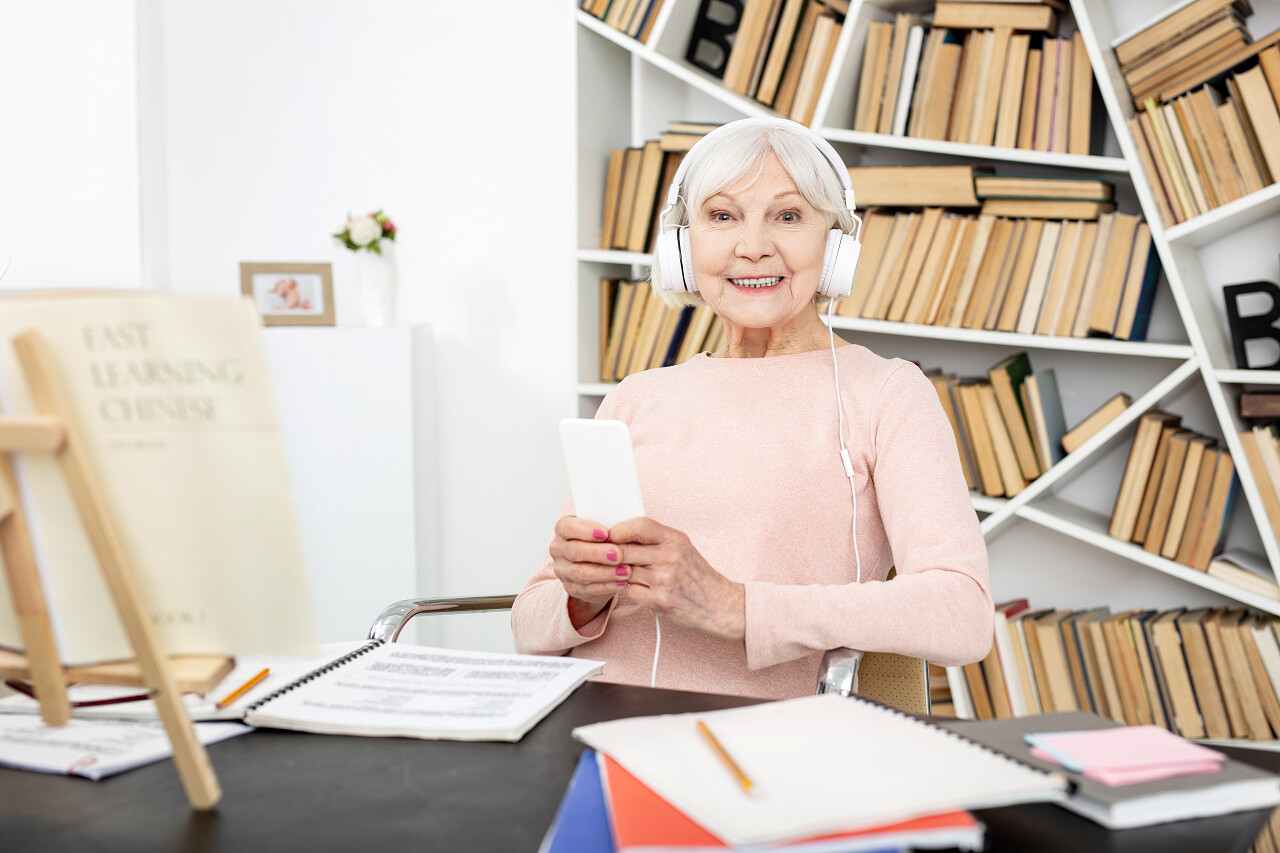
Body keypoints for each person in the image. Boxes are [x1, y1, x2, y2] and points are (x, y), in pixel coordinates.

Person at [511, 118, 992, 700]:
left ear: (835, 246)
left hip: (766, 748)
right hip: (598, 726)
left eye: (788, 217)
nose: (753, 246)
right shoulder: (635, 396)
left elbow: (962, 613)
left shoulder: (888, 393)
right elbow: (529, 625)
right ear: (685, 248)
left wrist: (738, 606)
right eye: (722, 216)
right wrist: (582, 595)